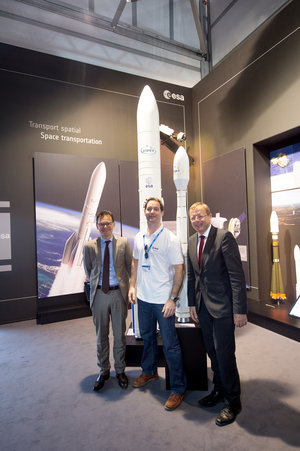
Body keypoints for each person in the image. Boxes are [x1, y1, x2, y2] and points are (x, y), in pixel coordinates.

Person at [187, 202, 247, 427]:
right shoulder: (192, 241)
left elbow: (236, 276)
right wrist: (192, 303)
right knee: (212, 353)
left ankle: (233, 402)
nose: (196, 220)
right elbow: (193, 276)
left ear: (209, 216)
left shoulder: (224, 238)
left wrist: (239, 310)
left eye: (200, 216)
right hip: (203, 308)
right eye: (193, 217)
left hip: (223, 308)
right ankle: (219, 390)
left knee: (225, 355)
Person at [129, 197, 186, 411]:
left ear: (162, 212)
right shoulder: (139, 236)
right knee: (147, 337)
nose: (151, 212)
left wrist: (173, 298)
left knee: (171, 345)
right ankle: (149, 371)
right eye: (148, 209)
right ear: (145, 212)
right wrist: (133, 286)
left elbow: (179, 269)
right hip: (143, 298)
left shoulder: (170, 239)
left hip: (163, 302)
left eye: (155, 209)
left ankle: (178, 389)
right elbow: (136, 262)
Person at [83, 210, 132, 391]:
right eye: (101, 224)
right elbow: (89, 271)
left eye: (108, 223)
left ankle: (120, 370)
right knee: (101, 335)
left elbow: (129, 266)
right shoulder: (89, 246)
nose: (105, 227)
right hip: (99, 295)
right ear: (97, 226)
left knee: (119, 334)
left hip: (118, 294)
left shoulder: (123, 243)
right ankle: (104, 370)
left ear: (113, 224)